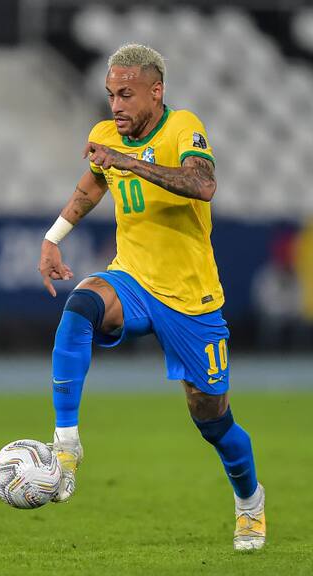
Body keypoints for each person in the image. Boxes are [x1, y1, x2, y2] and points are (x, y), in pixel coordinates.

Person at [38, 45, 265, 551]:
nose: (115, 105)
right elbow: (90, 189)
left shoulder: (184, 125)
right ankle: (67, 446)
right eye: (109, 95)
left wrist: (128, 161)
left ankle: (249, 500)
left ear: (155, 91)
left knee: (211, 418)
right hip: (133, 280)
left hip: (191, 298)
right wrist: (54, 237)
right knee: (81, 305)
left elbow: (203, 185)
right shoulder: (103, 136)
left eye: (126, 94)